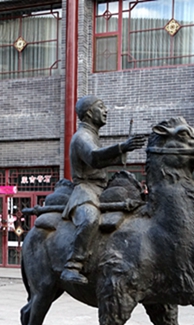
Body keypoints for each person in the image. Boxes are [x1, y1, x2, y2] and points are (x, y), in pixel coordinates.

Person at [61, 96, 145, 285]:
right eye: (101, 107)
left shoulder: (93, 136)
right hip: (85, 190)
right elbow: (94, 157)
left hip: (101, 189)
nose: (106, 111)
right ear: (89, 113)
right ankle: (73, 265)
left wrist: (122, 152)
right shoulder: (82, 136)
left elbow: (100, 160)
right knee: (89, 219)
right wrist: (121, 147)